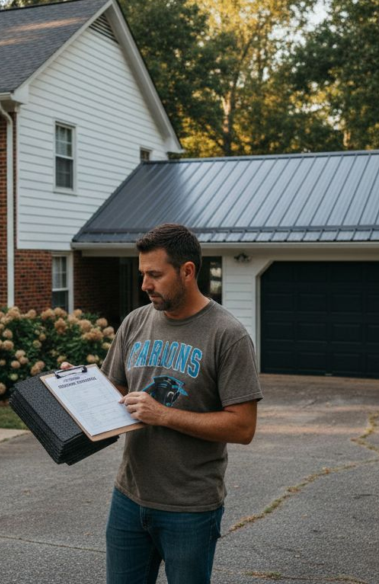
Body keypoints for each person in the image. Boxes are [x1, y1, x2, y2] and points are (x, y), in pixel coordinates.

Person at [99, 223, 262, 584]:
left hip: (190, 508)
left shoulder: (228, 335)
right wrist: (76, 385)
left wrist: (164, 415)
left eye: (155, 275)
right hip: (128, 497)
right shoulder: (135, 322)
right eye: (143, 274)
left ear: (187, 271)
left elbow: (243, 427)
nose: (145, 284)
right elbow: (115, 390)